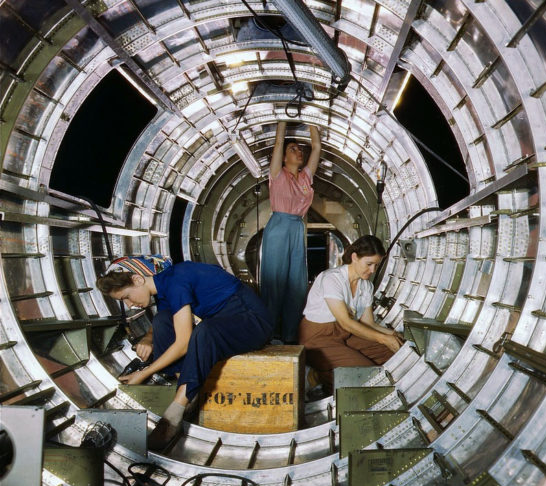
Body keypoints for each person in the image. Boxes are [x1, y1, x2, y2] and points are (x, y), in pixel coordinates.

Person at [96, 255, 272, 451]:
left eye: (126, 297)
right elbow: (167, 320)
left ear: (138, 279)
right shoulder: (164, 286)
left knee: (203, 332)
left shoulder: (177, 281)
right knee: (162, 320)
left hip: (251, 322)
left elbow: (184, 343)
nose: (129, 305)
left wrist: (144, 373)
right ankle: (188, 391)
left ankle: (174, 414)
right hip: (222, 323)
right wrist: (148, 338)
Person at [299, 235, 404, 391]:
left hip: (345, 335)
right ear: (354, 257)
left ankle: (328, 369)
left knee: (392, 353)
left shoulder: (366, 285)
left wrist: (393, 335)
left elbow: (368, 323)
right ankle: (316, 376)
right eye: (369, 264)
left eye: (376, 265)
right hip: (318, 337)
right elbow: (346, 322)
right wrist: (384, 339)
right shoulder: (331, 279)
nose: (372, 270)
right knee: (366, 374)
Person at [260, 121, 321, 343]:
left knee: (296, 282)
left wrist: (312, 118)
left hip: (297, 227)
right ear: (284, 157)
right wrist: (283, 119)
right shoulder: (277, 173)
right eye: (292, 149)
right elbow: (278, 142)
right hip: (278, 226)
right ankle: (269, 333)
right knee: (274, 281)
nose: (299, 151)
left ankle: (290, 334)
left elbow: (316, 146)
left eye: (299, 149)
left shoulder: (305, 178)